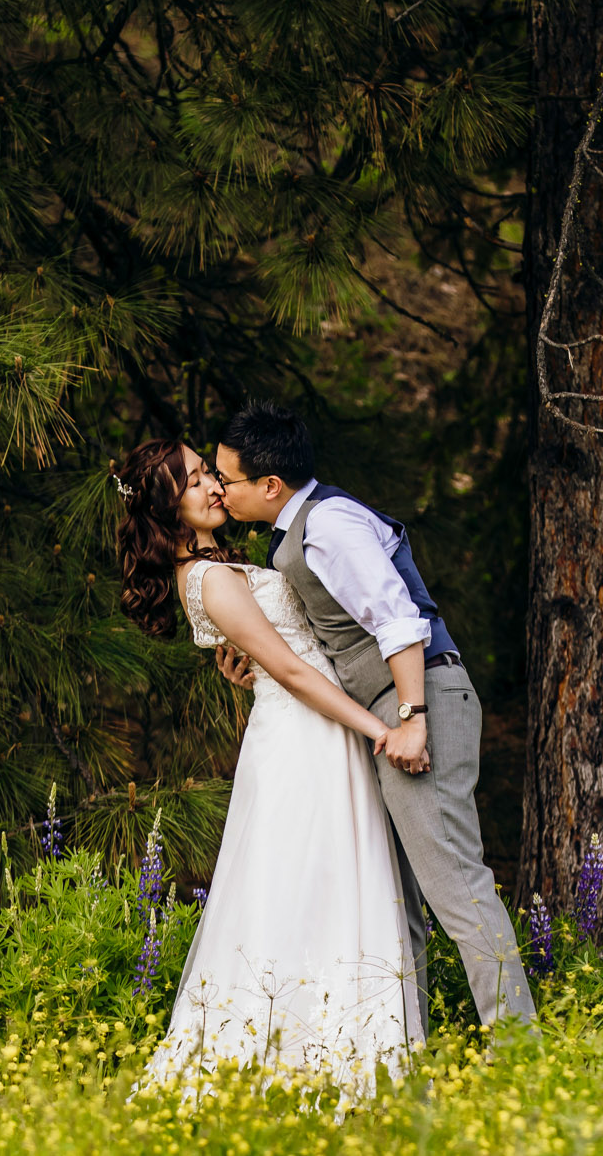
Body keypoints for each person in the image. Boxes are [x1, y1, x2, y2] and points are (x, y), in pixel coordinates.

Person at [114, 438, 423, 1102]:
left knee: (327, 881)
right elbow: (286, 668)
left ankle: (337, 1047)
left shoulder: (216, 566)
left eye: (208, 473)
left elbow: (273, 660)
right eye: (196, 480)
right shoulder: (210, 579)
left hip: (307, 724)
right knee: (309, 887)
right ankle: (299, 1055)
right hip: (305, 738)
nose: (214, 487)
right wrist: (380, 727)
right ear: (170, 506)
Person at [211, 401, 536, 1030]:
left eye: (228, 481)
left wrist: (412, 715)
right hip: (381, 712)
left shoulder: (330, 523)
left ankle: (519, 1046)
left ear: (270, 485)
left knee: (454, 883)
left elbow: (397, 620)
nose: (221, 493)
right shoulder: (295, 531)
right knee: (397, 899)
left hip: (418, 699)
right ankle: (400, 1047)